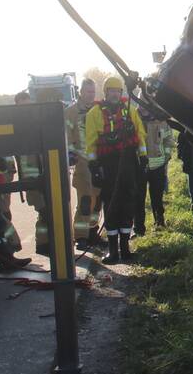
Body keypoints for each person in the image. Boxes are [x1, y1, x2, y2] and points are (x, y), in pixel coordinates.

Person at [85, 76, 146, 264]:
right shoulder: (94, 113)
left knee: (128, 203)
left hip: (128, 162)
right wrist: (94, 166)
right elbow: (90, 142)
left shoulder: (130, 111)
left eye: (118, 91)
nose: (114, 94)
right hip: (107, 164)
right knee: (111, 205)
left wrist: (143, 158)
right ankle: (113, 251)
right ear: (106, 92)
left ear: (121, 93)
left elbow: (141, 134)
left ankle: (125, 249)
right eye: (111, 90)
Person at [65, 78, 102, 249]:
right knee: (85, 200)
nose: (91, 95)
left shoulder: (98, 110)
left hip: (98, 161)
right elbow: (66, 137)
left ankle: (93, 233)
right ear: (80, 92)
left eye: (93, 92)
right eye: (88, 92)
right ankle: (80, 237)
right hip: (82, 163)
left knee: (98, 200)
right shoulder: (71, 112)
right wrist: (73, 154)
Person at [14, 90, 53, 256]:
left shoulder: (37, 123)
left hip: (44, 176)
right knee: (44, 211)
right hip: (31, 179)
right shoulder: (16, 126)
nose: (27, 110)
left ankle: (45, 243)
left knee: (48, 212)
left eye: (29, 105)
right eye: (23, 106)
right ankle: (44, 244)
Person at [134, 105, 174, 234]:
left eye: (146, 103)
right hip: (139, 167)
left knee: (157, 197)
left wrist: (166, 156)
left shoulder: (161, 120)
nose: (143, 107)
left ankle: (159, 222)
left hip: (158, 166)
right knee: (138, 199)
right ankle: (139, 229)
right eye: (141, 103)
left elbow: (168, 139)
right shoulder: (132, 118)